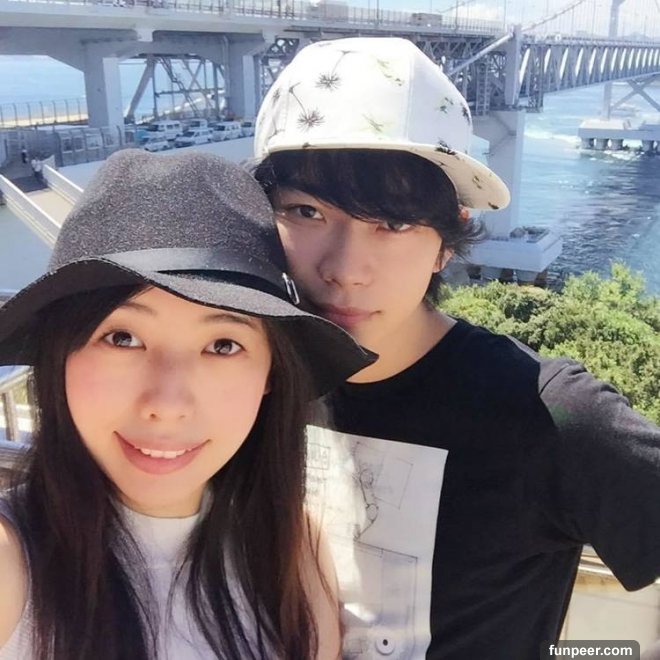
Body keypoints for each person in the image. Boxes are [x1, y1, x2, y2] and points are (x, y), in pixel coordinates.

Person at [253, 37, 660, 659]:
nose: (345, 269)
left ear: (447, 242)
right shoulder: (245, 381)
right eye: (306, 212)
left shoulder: (550, 413)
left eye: (393, 224)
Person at [0, 149, 375, 660]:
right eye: (123, 338)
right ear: (59, 353)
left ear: (271, 373)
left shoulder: (291, 552)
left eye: (223, 345)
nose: (168, 404)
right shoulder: (11, 563)